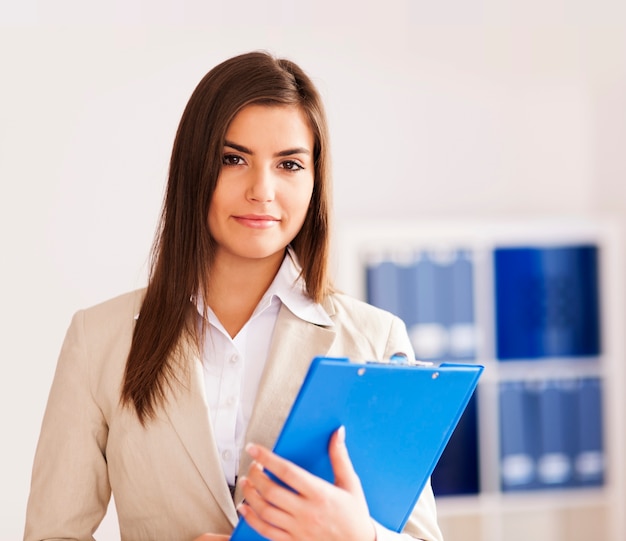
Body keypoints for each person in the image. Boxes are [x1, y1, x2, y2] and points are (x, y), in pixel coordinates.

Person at [24, 51, 443, 541]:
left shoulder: (374, 338)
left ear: (314, 181)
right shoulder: (98, 340)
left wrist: (359, 537)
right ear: (193, 170)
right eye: (233, 159)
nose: (262, 190)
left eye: (289, 164)